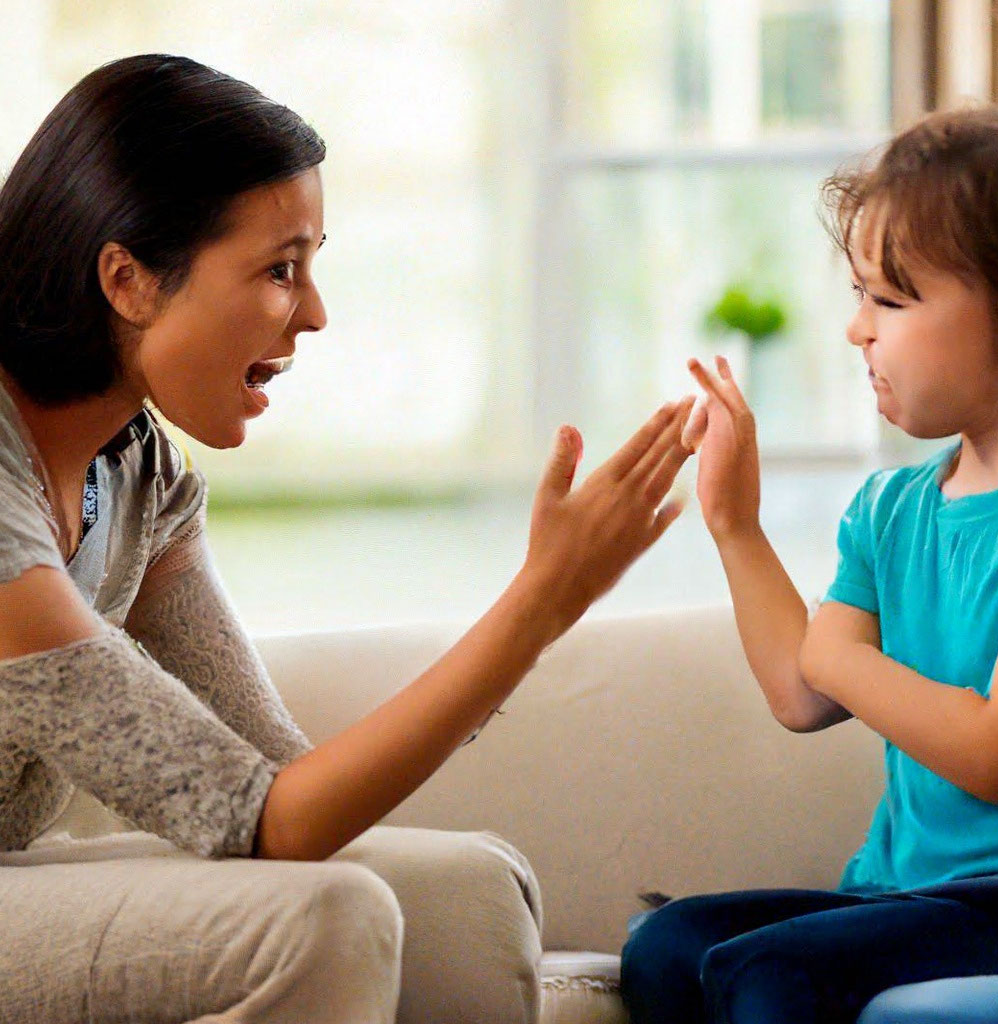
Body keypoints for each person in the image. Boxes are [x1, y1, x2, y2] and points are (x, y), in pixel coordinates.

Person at [0, 54, 698, 1024]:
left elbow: (280, 778)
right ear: (128, 278)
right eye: (280, 269)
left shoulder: (144, 481)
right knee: (330, 917)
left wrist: (541, 602)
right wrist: (540, 603)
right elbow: (266, 821)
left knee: (461, 894)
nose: (318, 313)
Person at [620, 105, 998, 1024]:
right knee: (667, 946)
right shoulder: (891, 509)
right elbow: (802, 695)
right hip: (902, 896)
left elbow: (994, 753)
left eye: (890, 301)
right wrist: (735, 524)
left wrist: (835, 653)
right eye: (858, 296)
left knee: (772, 974)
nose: (855, 331)